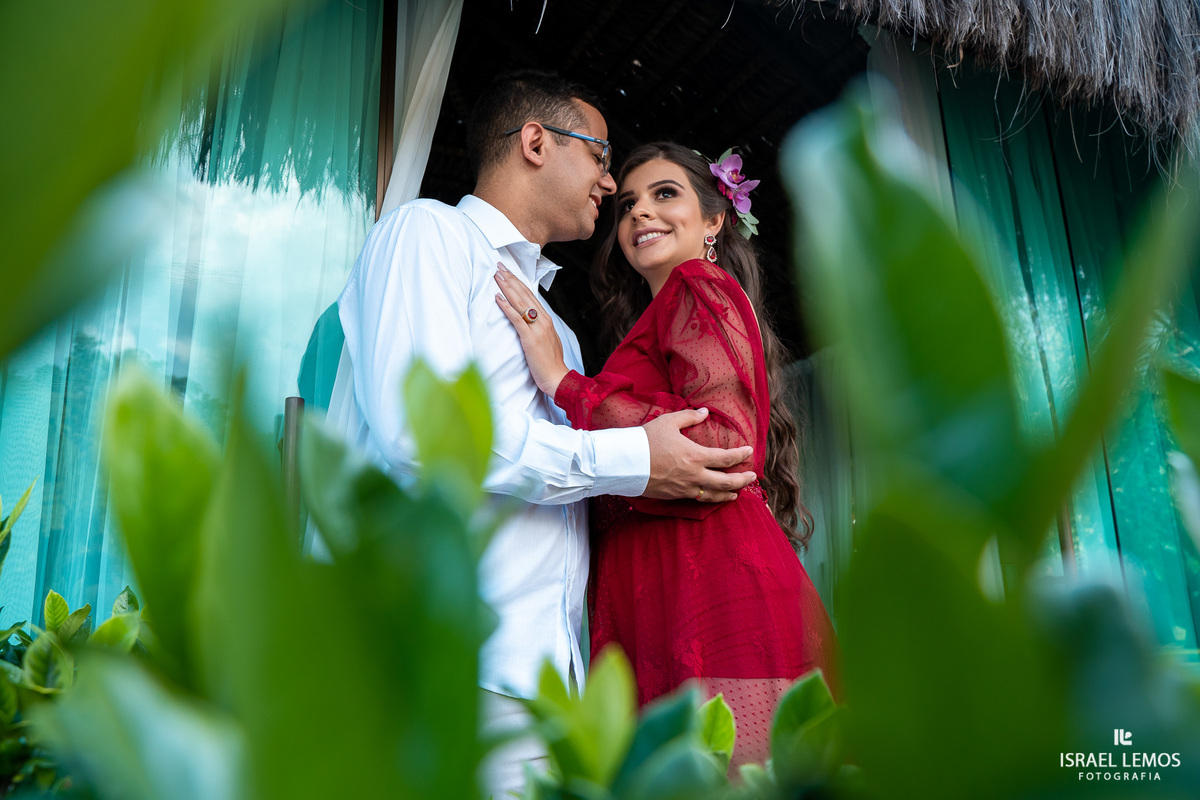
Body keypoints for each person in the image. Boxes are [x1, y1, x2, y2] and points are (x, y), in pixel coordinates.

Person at [328, 74, 758, 797]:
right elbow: (424, 433)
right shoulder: (428, 233)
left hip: (547, 689)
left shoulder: (557, 334)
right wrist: (632, 457)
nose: (610, 183)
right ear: (535, 142)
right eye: (601, 156)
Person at [493, 142, 839, 766]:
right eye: (627, 203)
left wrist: (565, 383)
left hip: (704, 579)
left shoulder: (696, 285)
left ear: (714, 220)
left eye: (664, 194)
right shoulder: (667, 312)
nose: (639, 213)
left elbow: (723, 442)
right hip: (664, 578)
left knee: (717, 774)